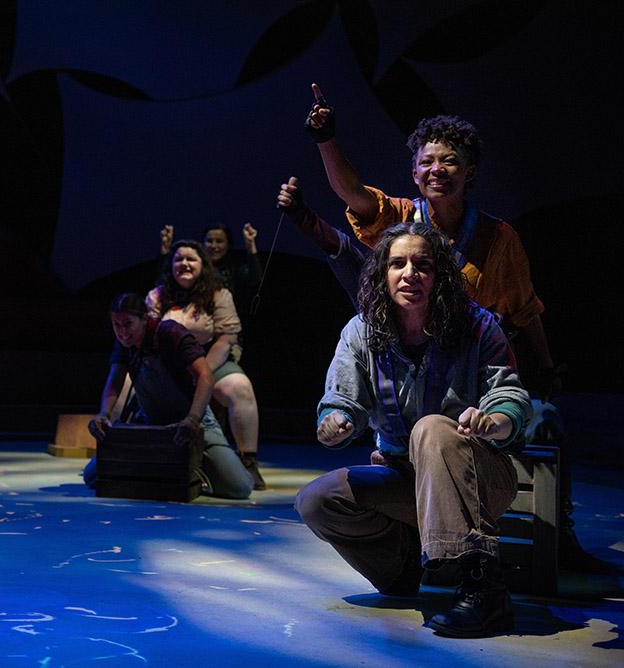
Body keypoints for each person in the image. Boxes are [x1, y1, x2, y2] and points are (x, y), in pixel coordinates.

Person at [289, 83, 605, 572]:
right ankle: (407, 563)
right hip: (413, 371)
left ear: (469, 171)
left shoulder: (498, 239)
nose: (438, 169)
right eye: (428, 161)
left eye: (450, 161)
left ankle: (541, 546)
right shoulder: (399, 224)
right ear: (415, 172)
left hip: (471, 378)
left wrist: (543, 369)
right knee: (365, 465)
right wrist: (326, 139)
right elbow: (352, 193)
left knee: (543, 418)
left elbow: (524, 309)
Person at [295, 223, 530, 638]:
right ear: (382, 274)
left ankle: (484, 587)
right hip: (405, 480)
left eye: (423, 265)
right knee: (318, 500)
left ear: (439, 275)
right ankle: (403, 571)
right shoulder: (361, 331)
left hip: (477, 480)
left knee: (432, 429)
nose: (410, 274)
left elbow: (508, 394)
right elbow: (342, 398)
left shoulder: (477, 326)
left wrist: (494, 421)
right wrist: (334, 421)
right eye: (397, 264)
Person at [83, 293, 253, 500]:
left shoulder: (171, 333)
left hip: (192, 422)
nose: (122, 332)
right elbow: (115, 381)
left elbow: (205, 376)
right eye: (116, 325)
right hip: (150, 425)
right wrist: (104, 414)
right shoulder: (124, 345)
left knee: (239, 487)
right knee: (93, 476)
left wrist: (192, 419)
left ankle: (194, 468)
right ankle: (164, 469)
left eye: (128, 324)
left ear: (144, 319)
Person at [146, 240, 265, 490]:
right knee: (128, 383)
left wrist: (203, 373)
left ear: (203, 265)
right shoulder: (158, 295)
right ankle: (112, 448)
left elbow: (226, 338)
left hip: (211, 361)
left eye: (191, 259)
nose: (184, 264)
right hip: (169, 366)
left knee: (241, 388)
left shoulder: (219, 294)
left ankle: (248, 461)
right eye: (179, 259)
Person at [158, 223, 262, 324]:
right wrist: (165, 249)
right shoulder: (194, 269)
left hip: (226, 325)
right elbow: (166, 279)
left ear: (228, 244)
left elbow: (255, 280)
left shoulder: (235, 268)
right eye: (209, 241)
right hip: (196, 323)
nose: (214, 245)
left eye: (219, 241)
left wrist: (251, 246)